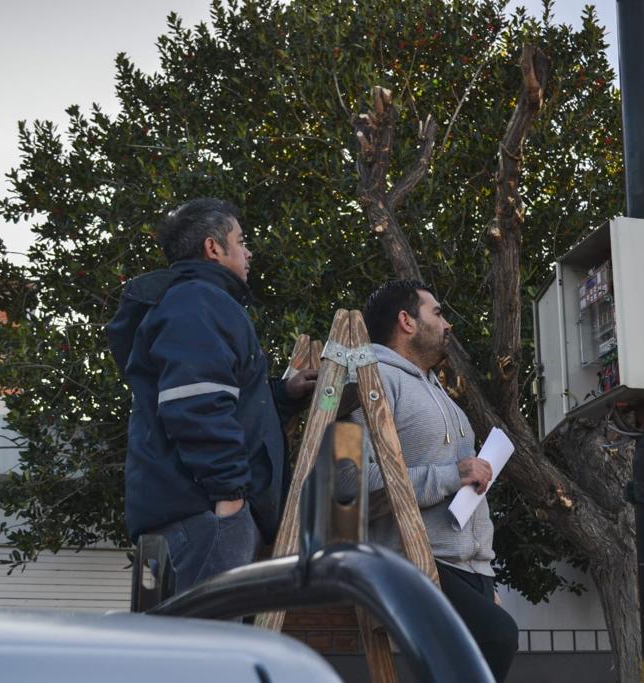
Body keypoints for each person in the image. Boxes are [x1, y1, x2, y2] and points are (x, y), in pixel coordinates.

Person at [107, 198, 316, 593]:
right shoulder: (198, 301)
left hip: (200, 515)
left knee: (195, 647)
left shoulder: (191, 302)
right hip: (208, 516)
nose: (248, 250)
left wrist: (282, 394)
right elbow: (196, 403)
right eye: (240, 240)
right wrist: (230, 500)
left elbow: (218, 395)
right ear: (213, 248)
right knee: (207, 648)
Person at [352, 279, 518, 682]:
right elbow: (351, 483)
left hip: (468, 568)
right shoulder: (373, 382)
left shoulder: (441, 393)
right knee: (497, 638)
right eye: (438, 313)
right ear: (406, 321)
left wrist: (484, 570)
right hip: (411, 560)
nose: (448, 324)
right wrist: (451, 475)